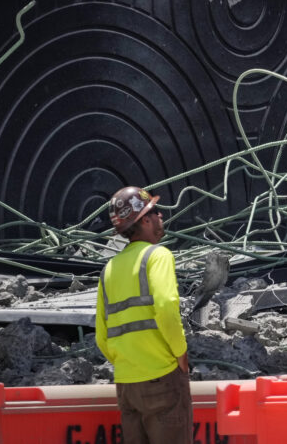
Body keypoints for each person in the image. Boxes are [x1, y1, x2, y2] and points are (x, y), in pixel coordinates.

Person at [95, 186, 192, 444]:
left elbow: (101, 335)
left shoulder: (108, 270)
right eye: (155, 211)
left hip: (127, 385)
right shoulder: (157, 256)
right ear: (145, 220)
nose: (161, 216)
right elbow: (165, 306)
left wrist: (128, 363)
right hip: (161, 377)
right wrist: (180, 354)